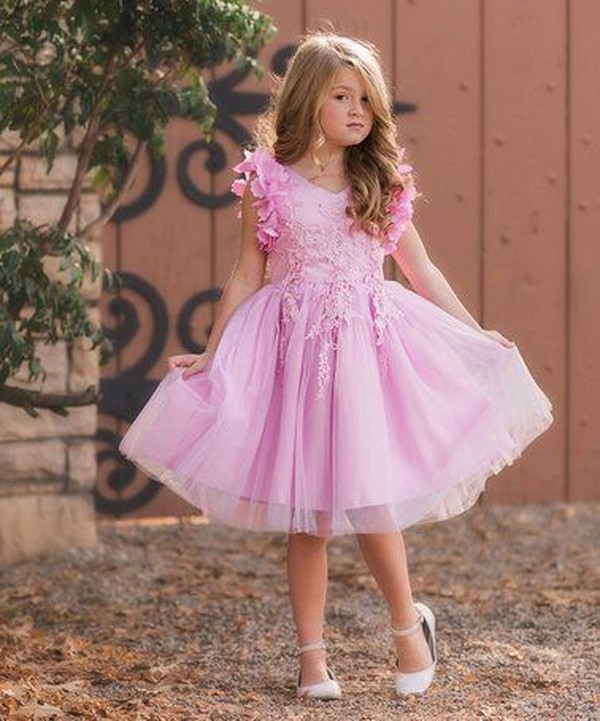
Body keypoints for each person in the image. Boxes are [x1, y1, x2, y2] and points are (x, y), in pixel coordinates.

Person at [119, 32, 553, 701]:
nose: (358, 111)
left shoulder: (379, 179)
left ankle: (409, 629)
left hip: (365, 355)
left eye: (366, 100)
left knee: (372, 496)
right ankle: (312, 658)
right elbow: (246, 273)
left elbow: (420, 268)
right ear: (307, 100)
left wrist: (472, 331)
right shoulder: (267, 180)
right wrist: (213, 351)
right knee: (308, 515)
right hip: (295, 355)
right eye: (342, 97)